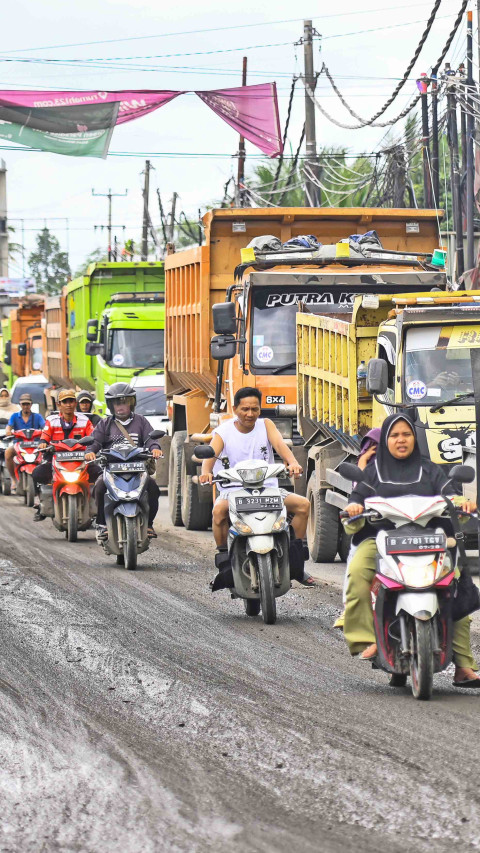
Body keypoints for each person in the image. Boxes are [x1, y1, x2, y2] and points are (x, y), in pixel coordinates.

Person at [343, 413, 480, 688]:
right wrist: (354, 508)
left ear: (414, 439)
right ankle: (364, 639)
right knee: (358, 573)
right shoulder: (373, 471)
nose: (401, 440)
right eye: (394, 435)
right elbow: (355, 500)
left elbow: (450, 493)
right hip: (381, 540)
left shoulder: (431, 469)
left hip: (429, 540)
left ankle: (464, 665)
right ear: (386, 441)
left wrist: (463, 503)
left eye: (406, 434)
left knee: (455, 587)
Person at [199, 387, 310, 585]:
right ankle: (224, 561)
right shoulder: (223, 431)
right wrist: (206, 472)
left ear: (260, 410)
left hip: (267, 488)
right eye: (245, 409)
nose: (250, 414)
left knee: (303, 505)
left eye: (255, 409)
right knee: (218, 512)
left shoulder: (266, 425)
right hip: (234, 490)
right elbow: (211, 454)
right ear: (235, 409)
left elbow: (280, 446)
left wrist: (292, 462)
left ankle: (296, 561)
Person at [83, 382, 162, 543]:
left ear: (131, 403)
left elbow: (150, 439)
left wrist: (155, 449)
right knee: (99, 487)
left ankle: (149, 525)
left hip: (138, 468)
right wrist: (90, 451)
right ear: (111, 405)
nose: (120, 406)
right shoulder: (105, 423)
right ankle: (102, 524)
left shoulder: (141, 421)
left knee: (153, 488)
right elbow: (95, 442)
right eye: (116, 403)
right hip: (112, 469)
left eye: (124, 402)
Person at [333, 427, 381, 630]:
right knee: (355, 562)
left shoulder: (412, 469)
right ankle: (350, 610)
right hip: (371, 528)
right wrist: (362, 464)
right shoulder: (365, 472)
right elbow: (357, 494)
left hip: (403, 530)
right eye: (373, 448)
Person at [32, 389, 98, 520]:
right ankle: (40, 502)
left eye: (71, 401)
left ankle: (99, 509)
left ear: (75, 403)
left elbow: (93, 437)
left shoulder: (85, 420)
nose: (68, 404)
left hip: (81, 460)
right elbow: (44, 436)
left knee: (101, 475)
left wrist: (91, 450)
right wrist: (43, 444)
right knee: (37, 473)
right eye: (65, 401)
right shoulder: (51, 420)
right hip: (55, 459)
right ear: (59, 404)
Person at [5, 393, 45, 492]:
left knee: (46, 457)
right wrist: (8, 431)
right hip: (19, 445)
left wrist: (45, 432)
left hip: (35, 445)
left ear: (31, 404)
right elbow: (9, 426)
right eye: (23, 404)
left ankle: (45, 481)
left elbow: (45, 426)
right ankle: (14, 479)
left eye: (27, 404)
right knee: (8, 453)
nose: (26, 406)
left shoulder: (37, 417)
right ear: (20, 405)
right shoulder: (14, 416)